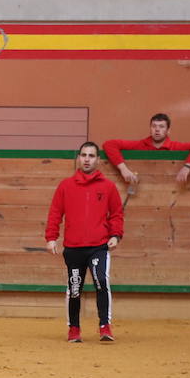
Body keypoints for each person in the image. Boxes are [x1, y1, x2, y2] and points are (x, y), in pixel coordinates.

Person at [44, 141, 123, 345]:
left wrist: (116, 235)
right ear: (78, 158)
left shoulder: (108, 187)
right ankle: (74, 329)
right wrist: (51, 237)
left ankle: (105, 326)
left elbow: (116, 214)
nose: (87, 159)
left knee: (101, 282)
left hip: (98, 246)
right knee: (75, 288)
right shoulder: (66, 186)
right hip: (73, 247)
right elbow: (55, 213)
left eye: (91, 155)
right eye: (84, 155)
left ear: (98, 160)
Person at [103, 112, 190, 186]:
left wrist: (187, 166)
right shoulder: (140, 145)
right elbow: (109, 144)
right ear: (150, 129)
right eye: (154, 126)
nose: (157, 130)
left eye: (161, 126)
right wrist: (123, 169)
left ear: (168, 130)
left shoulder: (175, 147)